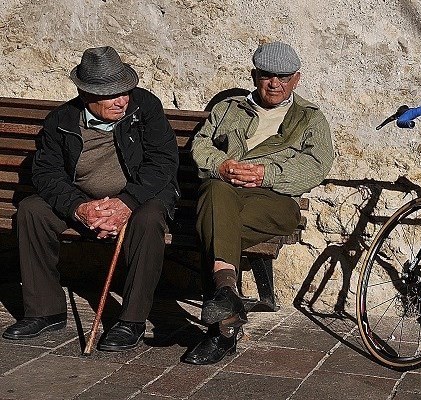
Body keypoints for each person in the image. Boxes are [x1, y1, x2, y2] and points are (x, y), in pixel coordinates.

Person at [2, 46, 180, 352]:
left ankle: (131, 320)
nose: (122, 100)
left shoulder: (145, 107)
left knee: (149, 221)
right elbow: (46, 174)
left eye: (125, 90)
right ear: (86, 95)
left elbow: (163, 162)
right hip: (85, 200)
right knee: (31, 210)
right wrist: (79, 207)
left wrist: (127, 202)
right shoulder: (61, 120)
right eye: (111, 95)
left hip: (141, 197)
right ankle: (45, 311)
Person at [184, 41, 333, 365]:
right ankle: (225, 315)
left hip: (275, 200)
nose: (274, 83)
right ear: (254, 76)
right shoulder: (229, 109)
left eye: (283, 77)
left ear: (296, 79)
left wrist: (266, 174)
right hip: (224, 193)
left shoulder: (309, 118)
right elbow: (200, 146)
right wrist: (221, 165)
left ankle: (224, 315)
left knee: (213, 218)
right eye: (267, 75)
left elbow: (316, 166)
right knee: (215, 190)